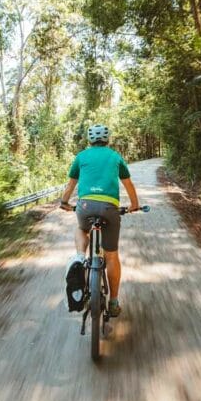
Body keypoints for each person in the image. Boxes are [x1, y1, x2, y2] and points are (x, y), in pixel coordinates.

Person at [60, 124, 140, 317]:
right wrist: (134, 205)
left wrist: (64, 202)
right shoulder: (115, 157)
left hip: (85, 206)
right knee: (111, 256)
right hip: (110, 208)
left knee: (81, 229)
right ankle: (113, 302)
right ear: (107, 139)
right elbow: (128, 184)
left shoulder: (81, 157)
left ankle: (80, 256)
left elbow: (71, 184)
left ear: (90, 140)